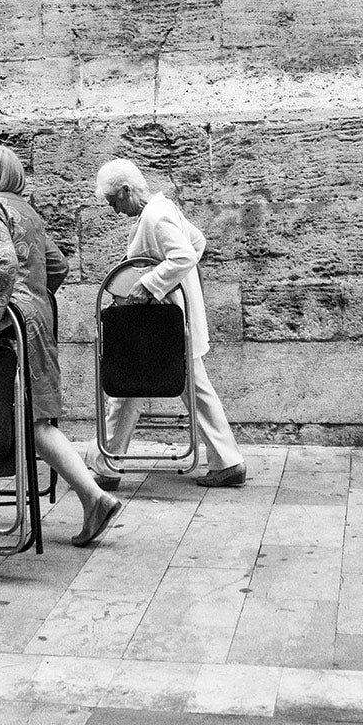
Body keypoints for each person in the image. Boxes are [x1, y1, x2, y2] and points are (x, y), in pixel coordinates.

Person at [0, 143, 121, 548]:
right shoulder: (25, 210)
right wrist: (32, 299)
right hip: (32, 321)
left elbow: (4, 263)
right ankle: (93, 497)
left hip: (1, 324)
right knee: (34, 419)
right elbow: (57, 265)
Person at [88, 158, 247, 489]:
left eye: (114, 201)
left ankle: (106, 466)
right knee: (166, 387)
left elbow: (185, 255)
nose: (115, 210)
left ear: (127, 190)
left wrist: (150, 284)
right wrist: (169, 282)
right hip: (170, 321)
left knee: (128, 386)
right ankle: (227, 461)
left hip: (162, 322)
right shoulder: (162, 209)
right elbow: (197, 242)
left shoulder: (156, 217)